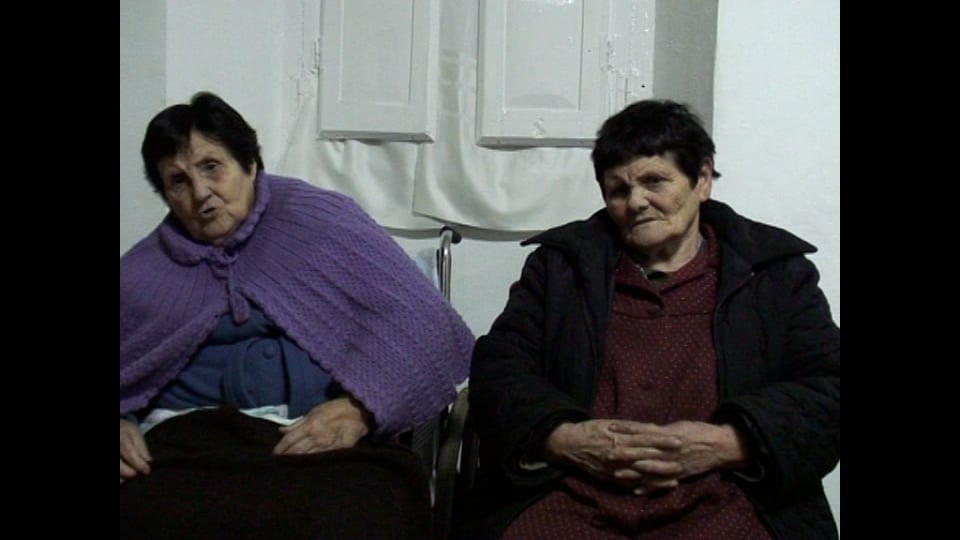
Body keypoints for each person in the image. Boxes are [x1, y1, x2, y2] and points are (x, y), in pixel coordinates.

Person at [464, 100, 840, 539]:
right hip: (574, 491)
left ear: (702, 179)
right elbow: (499, 371)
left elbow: (829, 386)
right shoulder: (561, 269)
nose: (636, 202)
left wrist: (727, 444)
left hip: (725, 494)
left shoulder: (773, 273)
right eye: (618, 190)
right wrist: (566, 440)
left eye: (654, 181)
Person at [120, 91, 474, 539]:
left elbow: (426, 328)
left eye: (211, 167)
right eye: (178, 181)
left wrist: (362, 410)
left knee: (362, 518)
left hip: (324, 440)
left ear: (250, 164)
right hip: (187, 445)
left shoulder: (322, 221)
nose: (200, 192)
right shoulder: (144, 269)